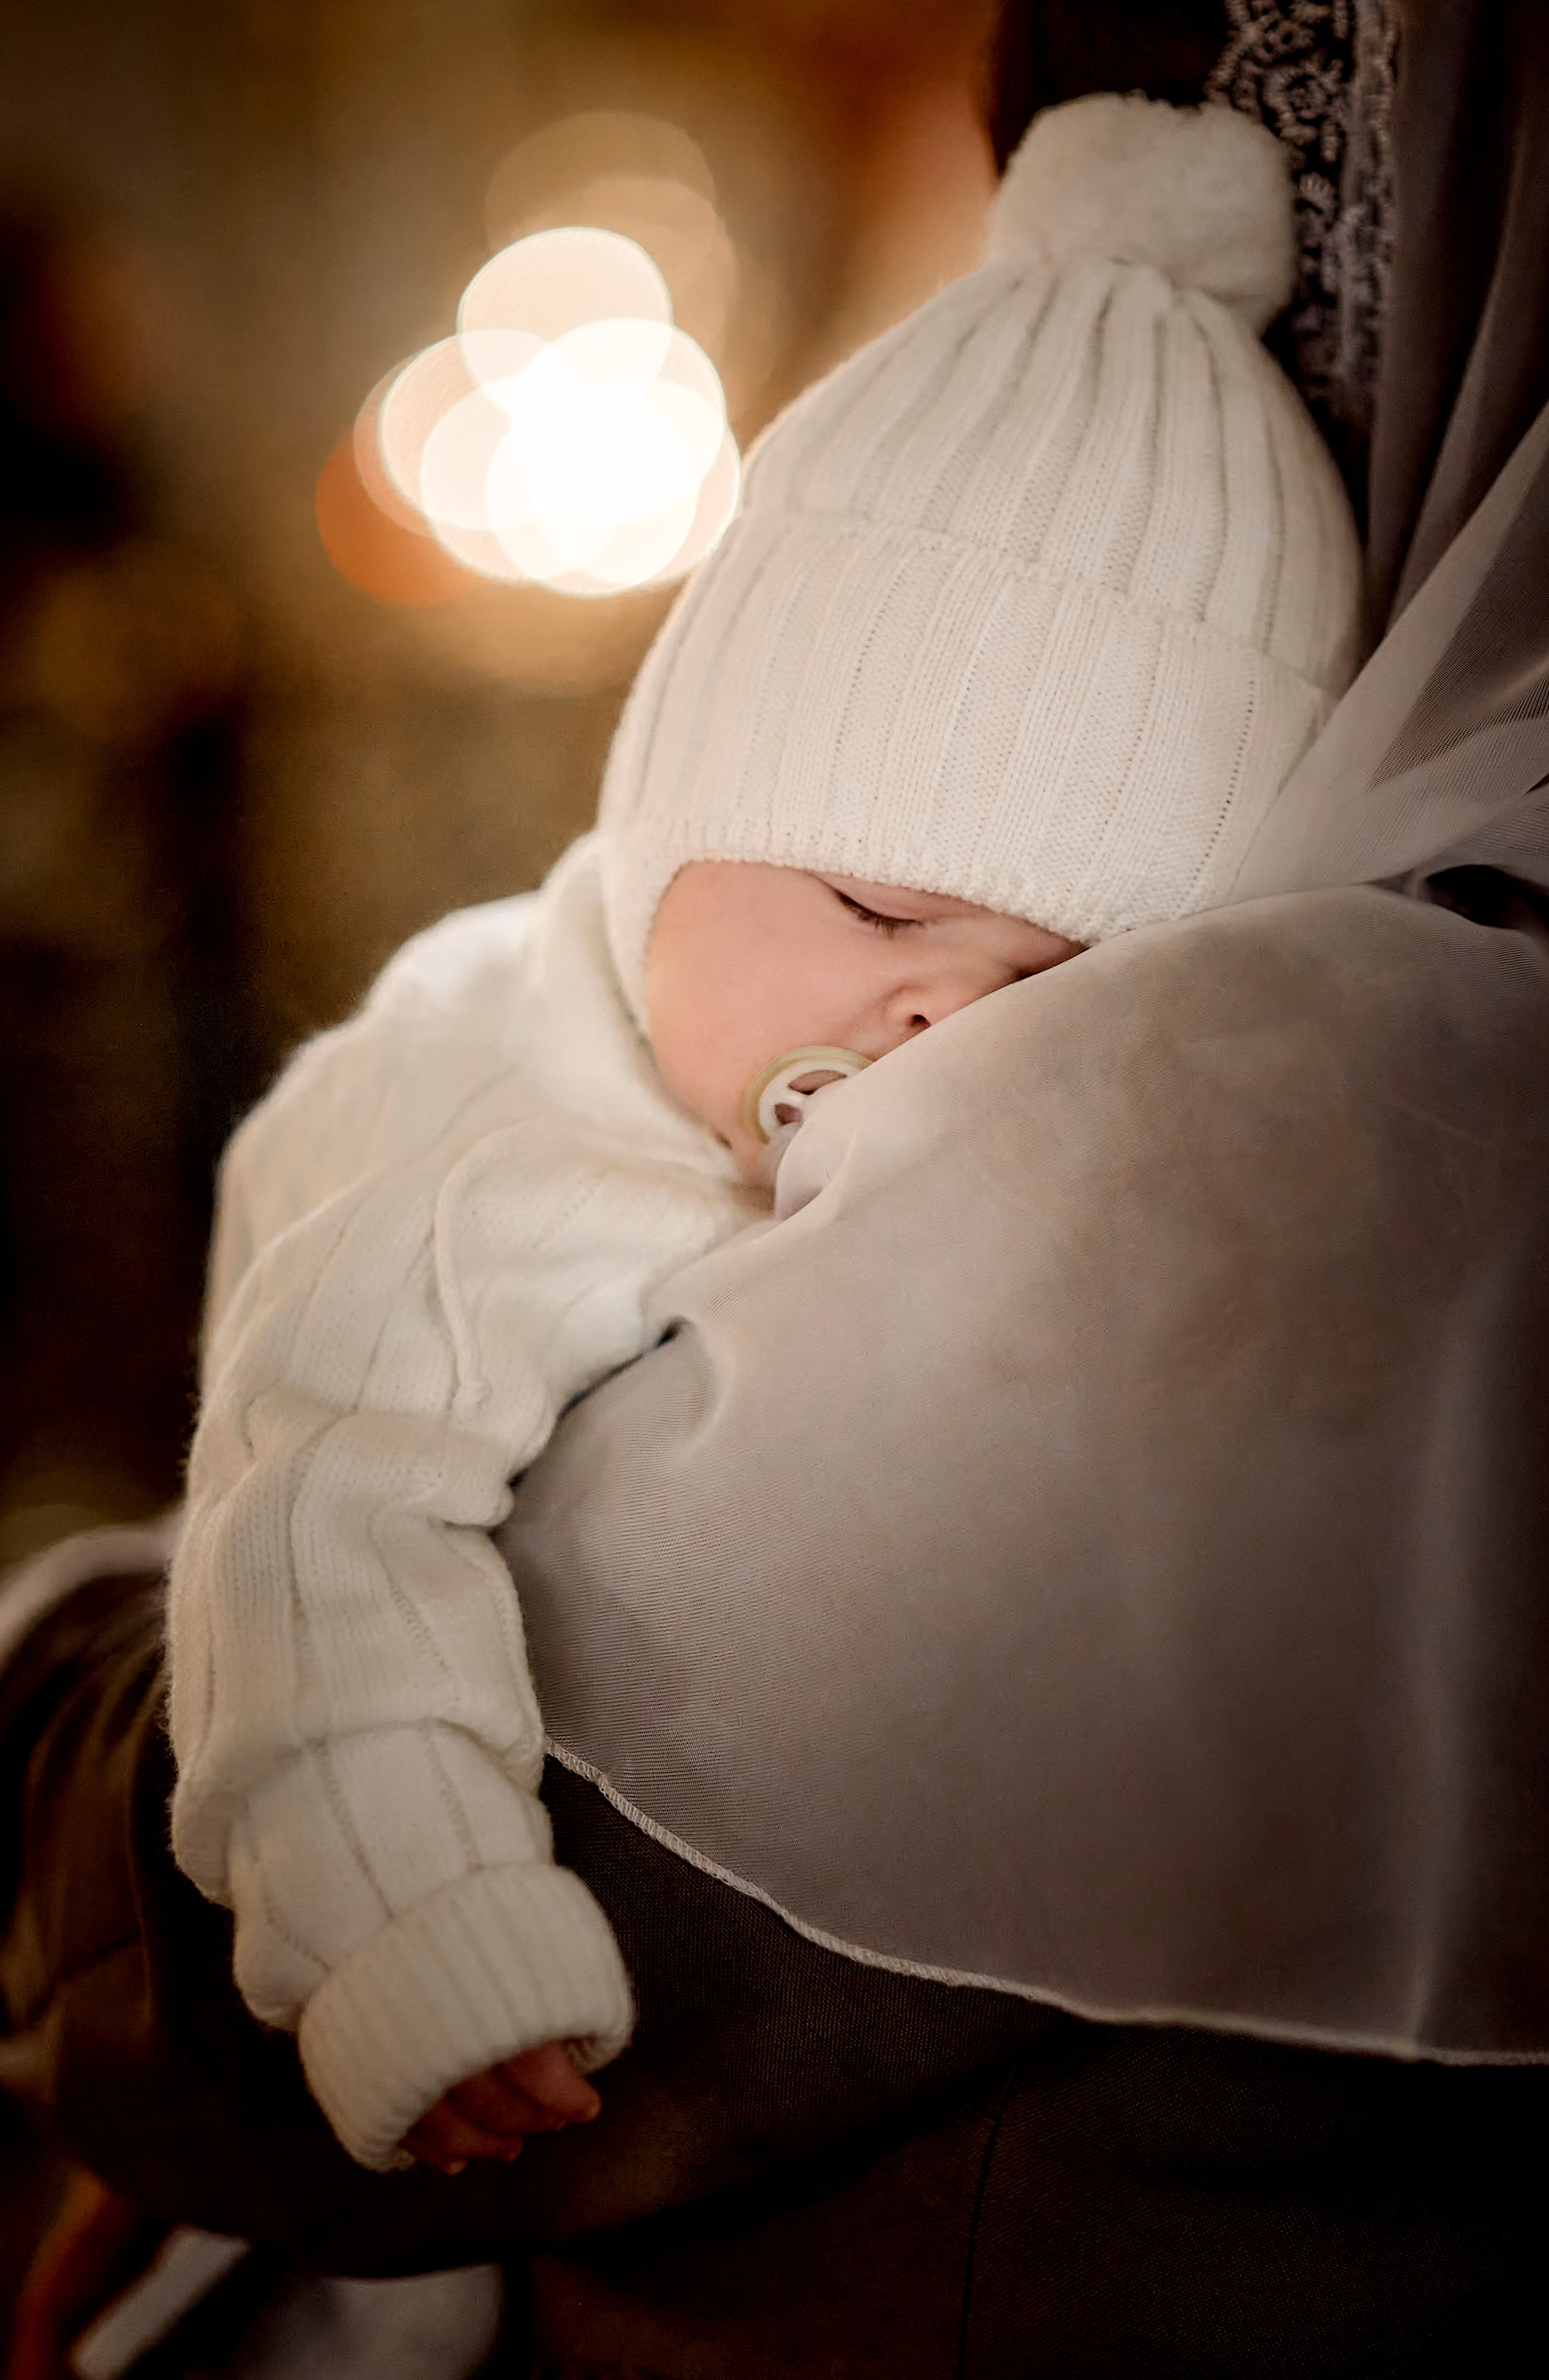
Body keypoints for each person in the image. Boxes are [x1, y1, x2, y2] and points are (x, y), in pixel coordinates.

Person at [165, 90, 1361, 2180]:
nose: (937, 1019)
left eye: (1055, 985)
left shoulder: (901, 1058)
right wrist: (413, 1940)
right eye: (885, 911)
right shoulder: (499, 1161)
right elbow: (312, 1528)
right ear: (678, 809)